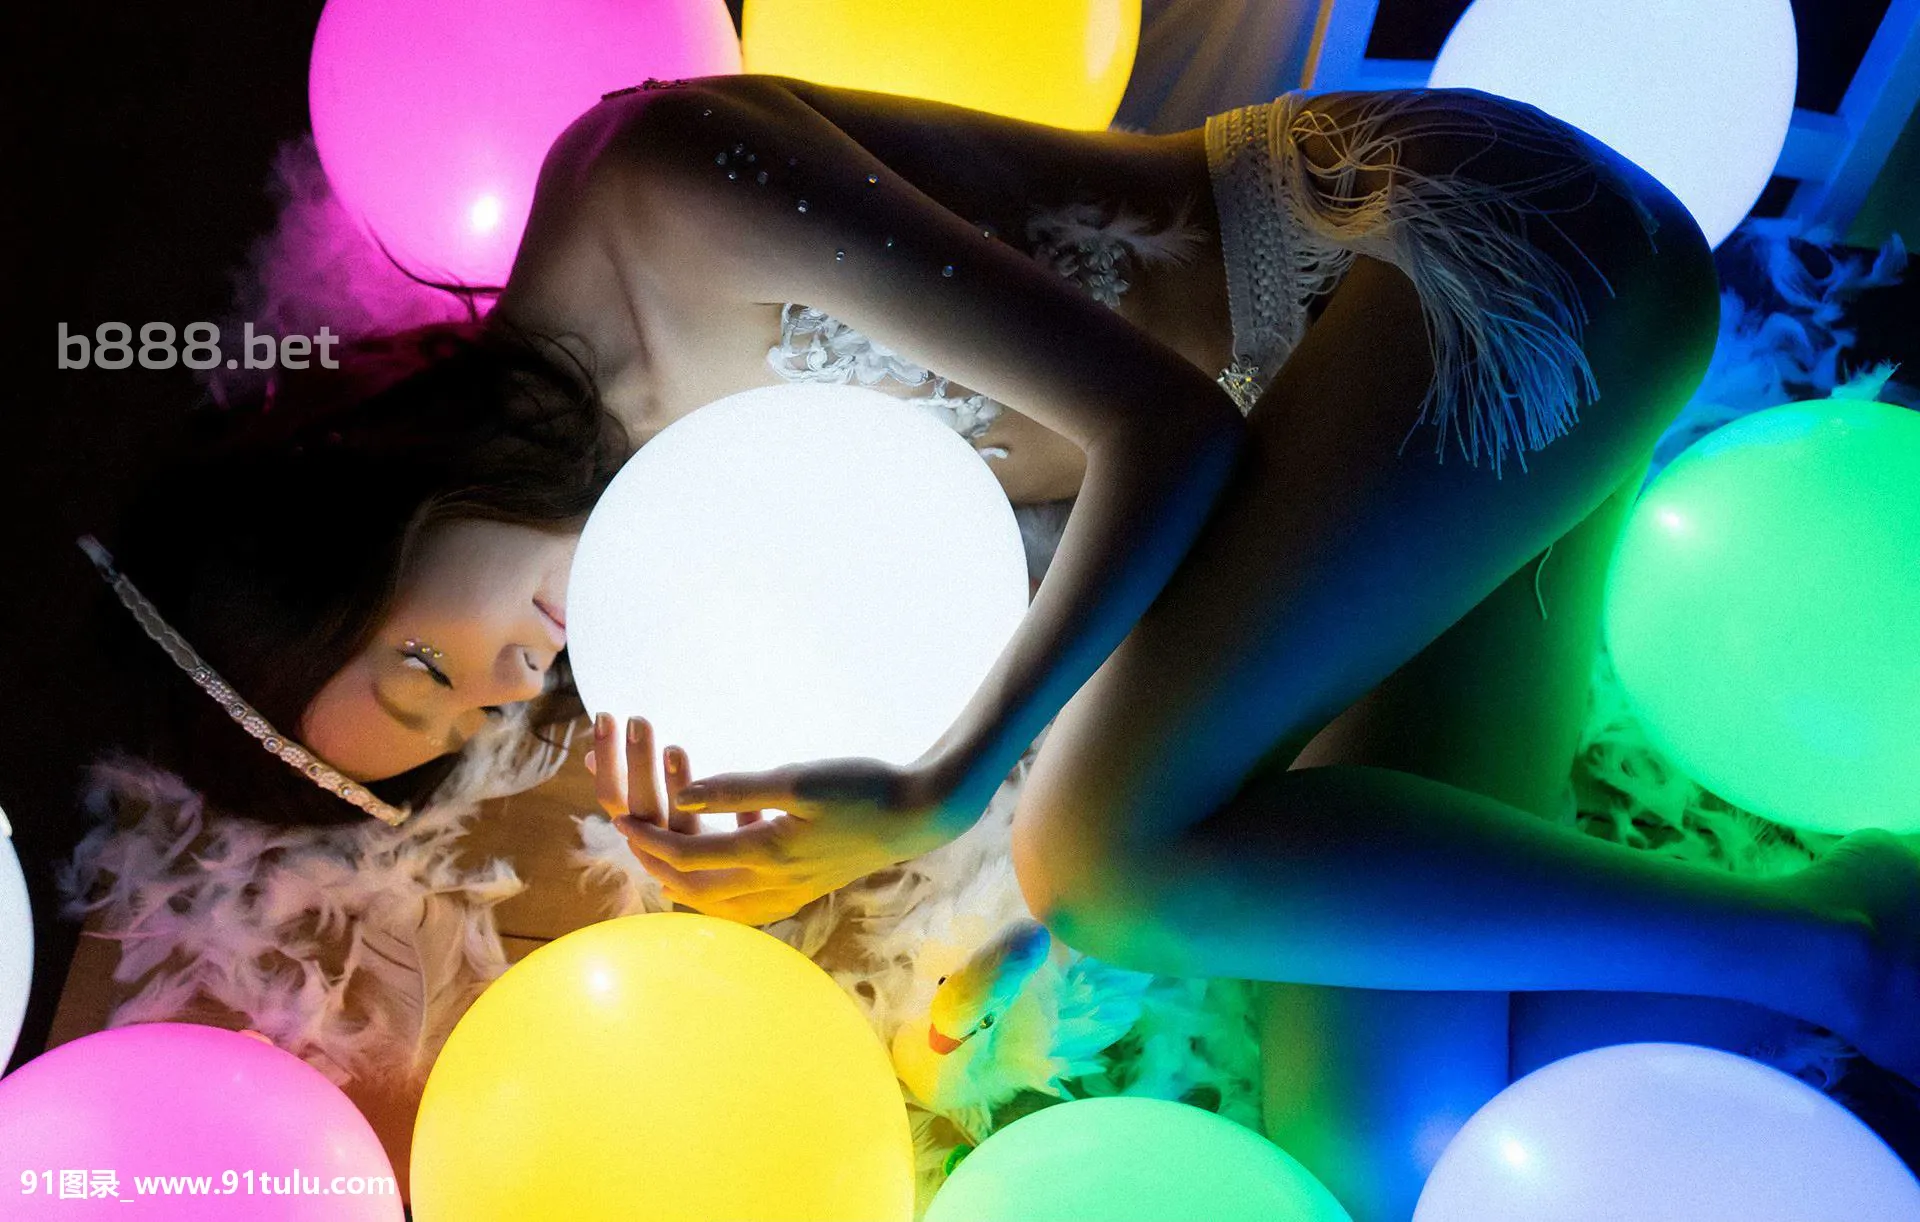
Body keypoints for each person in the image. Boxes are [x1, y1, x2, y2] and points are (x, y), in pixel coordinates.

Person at [87, 74, 1917, 1219]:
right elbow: (1040, 592)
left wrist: (940, 785)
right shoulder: (670, 544)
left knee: (1104, 856)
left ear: (359, 511)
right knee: (1375, 1141)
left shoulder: (646, 196)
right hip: (1371, 493)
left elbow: (1165, 430)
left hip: (1459, 269)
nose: (505, 689)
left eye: (421, 663)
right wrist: (809, 849)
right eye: (458, 722)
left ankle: (1849, 941)